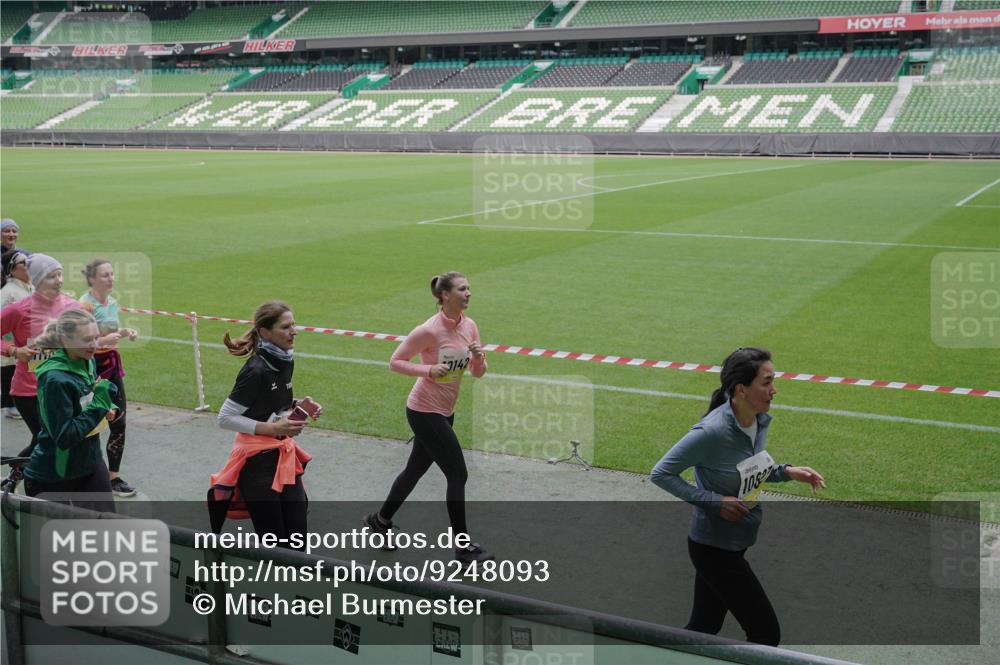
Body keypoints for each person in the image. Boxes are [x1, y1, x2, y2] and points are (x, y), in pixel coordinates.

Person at [650, 347, 825, 646]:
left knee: (703, 627)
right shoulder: (711, 432)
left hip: (734, 542)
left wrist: (787, 472)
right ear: (741, 389)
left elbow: (749, 470)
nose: (774, 390)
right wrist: (715, 502)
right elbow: (660, 474)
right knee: (766, 634)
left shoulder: (756, 421)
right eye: (767, 382)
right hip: (714, 549)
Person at [367, 272, 493, 565]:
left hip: (446, 411)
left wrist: (479, 358)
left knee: (414, 470)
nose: (469, 293)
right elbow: (395, 362)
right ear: (444, 295)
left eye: (469, 288)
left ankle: (380, 520)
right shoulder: (428, 330)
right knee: (458, 474)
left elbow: (477, 373)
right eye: (462, 289)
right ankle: (463, 549)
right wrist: (428, 370)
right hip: (424, 411)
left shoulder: (469, 326)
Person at [208, 301, 321, 547]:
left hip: (282, 458)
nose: (294, 331)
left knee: (299, 540)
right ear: (264, 332)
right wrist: (272, 429)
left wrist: (297, 405)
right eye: (286, 326)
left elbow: (270, 404)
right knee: (276, 545)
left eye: (294, 324)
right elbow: (225, 418)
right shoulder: (255, 370)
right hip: (257, 465)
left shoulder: (284, 358)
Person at [21, 308, 118, 511]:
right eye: (86, 340)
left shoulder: (87, 360)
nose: (94, 345)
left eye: (95, 338)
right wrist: (100, 404)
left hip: (90, 462)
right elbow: (65, 436)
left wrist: (106, 405)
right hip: (53, 476)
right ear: (65, 339)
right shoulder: (55, 379)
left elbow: (87, 397)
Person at [0, 254, 82, 491]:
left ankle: (19, 472)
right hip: (28, 391)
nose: (59, 281)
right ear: (36, 280)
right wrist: (15, 350)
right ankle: (30, 479)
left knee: (50, 439)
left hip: (63, 389)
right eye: (51, 276)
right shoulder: (19, 310)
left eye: (60, 274)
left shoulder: (72, 307)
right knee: (48, 437)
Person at [79, 258, 139, 497]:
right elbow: (81, 341)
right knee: (88, 423)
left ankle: (114, 477)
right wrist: (105, 341)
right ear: (92, 279)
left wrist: (125, 332)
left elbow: (111, 332)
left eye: (112, 274)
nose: (111, 278)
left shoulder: (112, 302)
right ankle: (84, 471)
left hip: (112, 365)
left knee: (119, 422)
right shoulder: (84, 306)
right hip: (90, 367)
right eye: (105, 275)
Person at [1, 250, 32, 419]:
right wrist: (11, 348)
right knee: (9, 370)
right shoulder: (8, 293)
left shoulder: (29, 287)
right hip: (13, 344)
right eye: (24, 263)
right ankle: (9, 404)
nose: (29, 266)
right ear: (12, 269)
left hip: (26, 342)